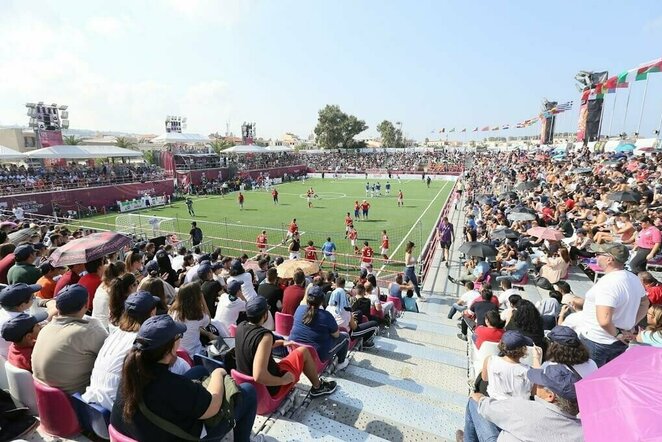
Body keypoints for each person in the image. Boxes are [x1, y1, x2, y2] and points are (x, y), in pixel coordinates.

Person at [110, 315, 259, 441]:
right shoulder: (171, 386)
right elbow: (213, 406)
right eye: (178, 336)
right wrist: (218, 373)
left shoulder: (130, 375)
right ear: (169, 349)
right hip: (183, 434)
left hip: (145, 432)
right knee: (248, 391)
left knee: (199, 370)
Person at [83, 292, 185, 410]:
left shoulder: (115, 334)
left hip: (96, 400)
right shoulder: (143, 341)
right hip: (118, 406)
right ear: (152, 312)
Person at [235, 296, 337, 399]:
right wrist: (283, 380)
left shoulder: (240, 326)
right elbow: (259, 376)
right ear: (265, 314)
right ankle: (318, 387)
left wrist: (281, 342)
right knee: (303, 351)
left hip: (248, 386)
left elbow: (255, 348)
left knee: (294, 355)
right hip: (270, 388)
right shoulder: (265, 336)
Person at [461, 364, 583, 442]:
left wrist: (480, 398)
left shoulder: (524, 409)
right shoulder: (583, 432)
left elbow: (487, 408)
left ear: (550, 396)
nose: (535, 385)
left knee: (475, 402)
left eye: (540, 383)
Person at [32, 284, 108, 394]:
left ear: (57, 307)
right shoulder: (89, 331)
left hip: (44, 398)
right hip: (75, 401)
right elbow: (111, 356)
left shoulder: (45, 329)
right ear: (86, 305)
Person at [581, 243, 649, 367]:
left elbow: (604, 321)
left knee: (593, 380)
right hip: (618, 341)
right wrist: (630, 325)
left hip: (598, 341)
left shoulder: (608, 284)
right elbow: (645, 303)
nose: (596, 257)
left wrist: (619, 334)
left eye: (598, 254)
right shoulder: (633, 277)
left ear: (609, 259)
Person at [288, 286, 350, 370]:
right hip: (317, 355)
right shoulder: (326, 316)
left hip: (294, 348)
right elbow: (336, 335)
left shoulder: (299, 309)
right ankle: (340, 363)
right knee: (345, 337)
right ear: (322, 300)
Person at [481, 330, 540, 400]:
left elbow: (484, 378)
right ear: (523, 350)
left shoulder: (490, 360)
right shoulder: (530, 372)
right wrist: (536, 358)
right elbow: (535, 392)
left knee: (474, 397)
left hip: (494, 405)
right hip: (519, 408)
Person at [326, 277, 378, 347]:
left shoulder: (328, 308)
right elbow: (354, 327)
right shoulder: (346, 310)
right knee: (374, 324)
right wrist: (354, 320)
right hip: (348, 334)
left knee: (359, 313)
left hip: (332, 334)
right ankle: (364, 341)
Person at [0, 283, 43, 359]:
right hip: (18, 358)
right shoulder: (19, 322)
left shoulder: (3, 313)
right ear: (22, 305)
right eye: (32, 297)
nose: (35, 298)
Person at [169, 282, 212, 357]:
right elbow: (208, 320)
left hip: (177, 353)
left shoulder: (172, 311)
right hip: (194, 354)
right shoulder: (199, 315)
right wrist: (203, 300)